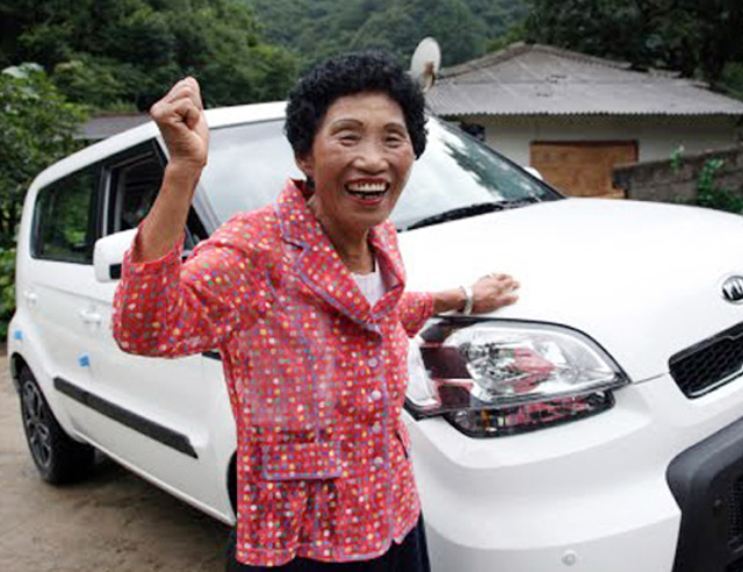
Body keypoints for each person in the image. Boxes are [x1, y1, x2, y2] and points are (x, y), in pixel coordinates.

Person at [112, 51, 519, 571]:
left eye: (392, 139)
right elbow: (145, 328)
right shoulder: (256, 249)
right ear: (305, 155)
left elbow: (373, 317)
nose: (372, 160)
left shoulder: (381, 237)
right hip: (304, 542)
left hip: (393, 514)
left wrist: (462, 296)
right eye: (348, 137)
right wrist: (183, 172)